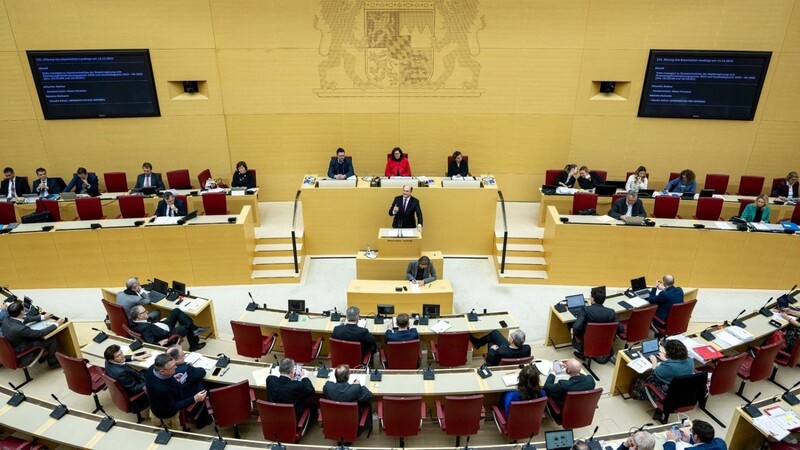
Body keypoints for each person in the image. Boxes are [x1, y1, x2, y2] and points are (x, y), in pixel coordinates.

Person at [144, 353, 208, 429]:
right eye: (172, 367)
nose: (176, 367)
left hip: (161, 403)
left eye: (175, 364)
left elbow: (164, 380)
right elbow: (173, 406)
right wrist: (195, 398)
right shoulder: (161, 389)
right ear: (162, 371)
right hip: (167, 416)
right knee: (175, 435)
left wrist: (173, 377)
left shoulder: (152, 368)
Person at [0, 300, 64, 368]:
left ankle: (43, 356)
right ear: (21, 312)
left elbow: (24, 319)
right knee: (51, 339)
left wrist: (43, 317)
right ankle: (52, 362)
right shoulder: (20, 329)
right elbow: (40, 333)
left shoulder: (7, 319)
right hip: (23, 349)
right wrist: (56, 324)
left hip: (15, 344)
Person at [571, 286, 623, 361]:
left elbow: (576, 327)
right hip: (604, 339)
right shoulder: (611, 312)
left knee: (572, 325)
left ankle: (582, 351)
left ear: (592, 299)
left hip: (588, 340)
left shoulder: (585, 310)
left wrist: (573, 332)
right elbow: (621, 329)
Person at [128, 305, 206, 352]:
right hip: (168, 334)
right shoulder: (144, 328)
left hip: (161, 325)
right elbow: (149, 342)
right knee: (187, 326)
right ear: (140, 316)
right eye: (145, 311)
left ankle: (195, 329)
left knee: (176, 311)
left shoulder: (133, 320)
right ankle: (194, 344)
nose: (147, 312)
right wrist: (159, 343)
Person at [322, 364, 373, 435]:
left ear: (335, 376)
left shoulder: (328, 386)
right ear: (348, 376)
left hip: (334, 422)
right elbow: (369, 395)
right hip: (352, 423)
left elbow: (327, 390)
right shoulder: (355, 388)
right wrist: (359, 384)